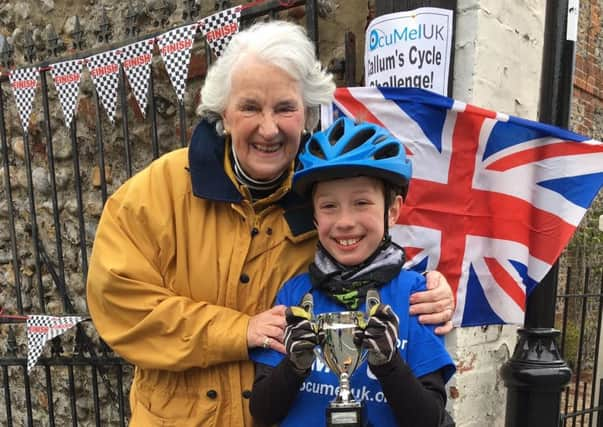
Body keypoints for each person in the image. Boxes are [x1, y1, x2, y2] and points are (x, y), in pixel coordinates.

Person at [86, 20, 455, 427]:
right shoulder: (156, 191)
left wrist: (433, 290)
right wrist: (239, 330)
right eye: (249, 107)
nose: (268, 127)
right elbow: (118, 303)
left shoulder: (324, 198)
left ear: (307, 114)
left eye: (284, 107)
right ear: (223, 113)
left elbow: (370, 252)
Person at [249, 117, 456, 426]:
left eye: (361, 203)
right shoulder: (294, 294)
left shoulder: (417, 297)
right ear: (315, 217)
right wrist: (293, 366)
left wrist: (389, 365)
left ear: (393, 211)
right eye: (329, 206)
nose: (345, 221)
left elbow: (430, 420)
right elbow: (262, 412)